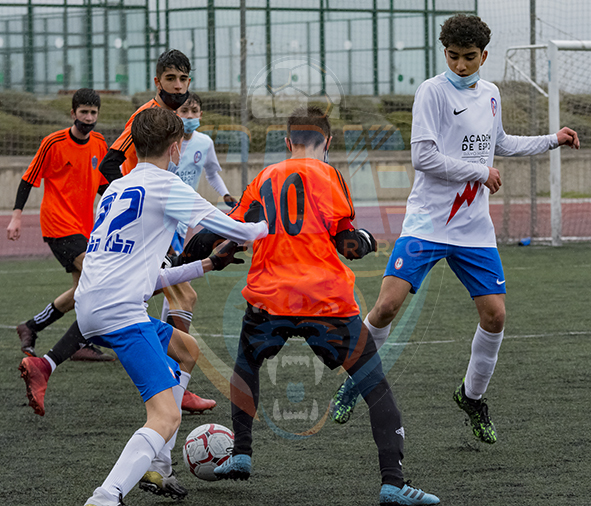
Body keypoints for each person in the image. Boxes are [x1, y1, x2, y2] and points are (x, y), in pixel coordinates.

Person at [328, 14, 580, 445]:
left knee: (495, 316)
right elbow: (423, 158)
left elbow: (500, 143)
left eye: (469, 57)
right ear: (444, 52)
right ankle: (355, 381)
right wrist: (480, 172)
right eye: (453, 56)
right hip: (427, 222)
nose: (460, 65)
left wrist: (551, 139)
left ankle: (472, 397)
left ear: (484, 56)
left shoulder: (491, 94)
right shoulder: (432, 92)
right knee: (386, 306)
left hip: (473, 229)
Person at [211, 106, 440, 506]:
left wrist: (214, 253)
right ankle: (393, 482)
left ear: (287, 142)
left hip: (271, 297)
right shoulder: (330, 175)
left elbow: (234, 232)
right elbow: (347, 245)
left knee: (247, 363)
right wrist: (366, 241)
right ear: (327, 142)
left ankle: (242, 453)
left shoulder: (263, 178)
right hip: (325, 301)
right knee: (375, 386)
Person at [74, 107, 267, 506]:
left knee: (186, 350)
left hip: (91, 304)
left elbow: (149, 278)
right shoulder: (167, 185)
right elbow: (242, 230)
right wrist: (273, 222)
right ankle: (106, 497)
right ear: (176, 148)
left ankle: (160, 465)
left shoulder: (117, 187)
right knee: (165, 415)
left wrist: (206, 264)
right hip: (120, 313)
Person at [6, 88, 113, 362]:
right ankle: (80, 341)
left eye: (93, 113)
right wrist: (17, 216)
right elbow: (28, 179)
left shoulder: (99, 143)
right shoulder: (53, 143)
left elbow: (103, 184)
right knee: (96, 276)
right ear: (73, 113)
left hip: (85, 227)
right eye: (83, 112)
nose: (88, 118)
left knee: (80, 292)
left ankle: (31, 327)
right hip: (58, 224)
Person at [160, 92, 238, 328]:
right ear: (175, 113)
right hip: (164, 216)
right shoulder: (165, 142)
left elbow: (212, 173)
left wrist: (225, 194)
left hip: (185, 219)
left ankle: (167, 332)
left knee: (176, 275)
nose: (189, 116)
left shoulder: (204, 143)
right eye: (184, 111)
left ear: (201, 115)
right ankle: (170, 335)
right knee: (177, 278)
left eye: (194, 112)